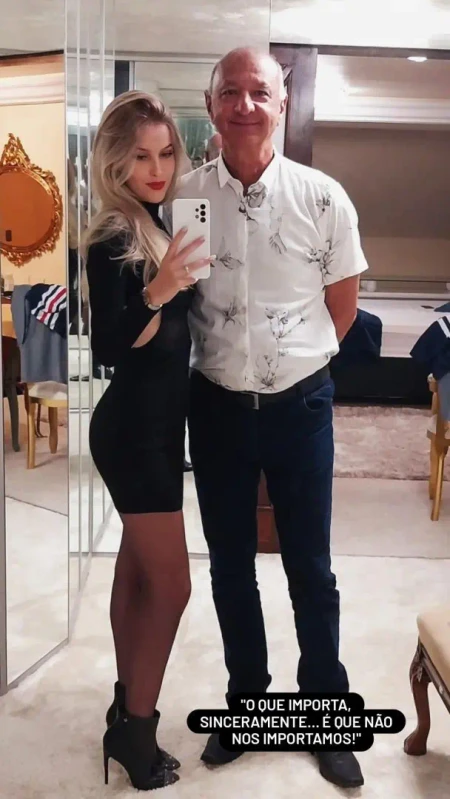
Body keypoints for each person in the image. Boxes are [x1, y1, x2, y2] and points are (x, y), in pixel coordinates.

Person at [176, 47, 368, 789]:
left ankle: (324, 710)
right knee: (230, 566)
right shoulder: (188, 197)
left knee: (310, 567)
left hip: (300, 408)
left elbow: (342, 309)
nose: (246, 105)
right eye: (231, 92)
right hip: (216, 408)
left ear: (282, 105)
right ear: (212, 105)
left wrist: (292, 366)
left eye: (260, 92)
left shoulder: (323, 198)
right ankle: (246, 702)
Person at [84, 90, 213, 791]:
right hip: (133, 431)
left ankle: (123, 700)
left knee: (138, 575)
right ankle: (136, 729)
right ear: (116, 161)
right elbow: (109, 345)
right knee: (172, 584)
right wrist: (159, 290)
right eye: (141, 156)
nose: (158, 168)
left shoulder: (159, 219)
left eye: (166, 153)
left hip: (160, 427)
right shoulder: (113, 232)